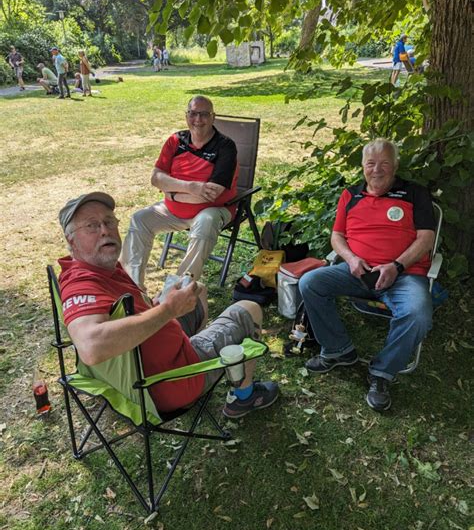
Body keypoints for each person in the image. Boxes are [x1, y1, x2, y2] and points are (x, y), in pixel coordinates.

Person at [57, 192, 279, 419]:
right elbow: (91, 347)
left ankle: (197, 357)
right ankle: (243, 397)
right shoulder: (81, 284)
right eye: (92, 226)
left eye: (109, 221)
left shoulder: (100, 266)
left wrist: (157, 305)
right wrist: (168, 310)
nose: (105, 230)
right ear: (71, 240)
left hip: (151, 355)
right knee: (250, 309)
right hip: (166, 383)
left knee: (197, 289)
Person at [299, 139, 436, 412]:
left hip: (404, 274)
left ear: (395, 165)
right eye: (371, 163)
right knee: (310, 283)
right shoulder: (351, 195)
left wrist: (396, 266)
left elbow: (426, 238)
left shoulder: (414, 193)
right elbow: (337, 235)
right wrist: (350, 259)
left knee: (418, 314)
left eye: (385, 163)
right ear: (363, 166)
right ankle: (338, 350)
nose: (377, 170)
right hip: (357, 271)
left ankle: (382, 373)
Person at [121, 95, 238, 289]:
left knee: (205, 223)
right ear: (186, 116)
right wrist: (190, 188)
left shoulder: (225, 146)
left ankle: (176, 290)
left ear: (213, 117)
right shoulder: (175, 141)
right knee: (140, 219)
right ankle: (132, 288)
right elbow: (156, 178)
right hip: (171, 210)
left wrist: (172, 191)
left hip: (214, 209)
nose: (198, 120)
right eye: (193, 114)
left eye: (204, 114)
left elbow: (211, 194)